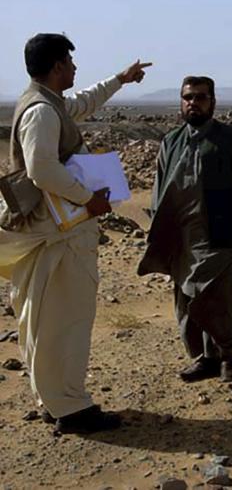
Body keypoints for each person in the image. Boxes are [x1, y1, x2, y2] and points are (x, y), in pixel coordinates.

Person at [8, 33, 151, 434]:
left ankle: (55, 398)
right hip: (59, 233)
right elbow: (42, 169)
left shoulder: (49, 104)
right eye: (69, 62)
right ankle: (70, 408)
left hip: (56, 232)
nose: (74, 68)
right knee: (63, 320)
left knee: (47, 319)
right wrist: (89, 199)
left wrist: (120, 79)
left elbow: (83, 102)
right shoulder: (42, 112)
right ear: (56, 67)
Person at [137, 76, 232, 383]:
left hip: (219, 236)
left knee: (215, 298)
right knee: (185, 299)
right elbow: (159, 190)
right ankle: (206, 358)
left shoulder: (230, 139)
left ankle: (228, 356)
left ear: (213, 103)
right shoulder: (171, 141)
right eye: (188, 97)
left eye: (201, 97)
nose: (194, 103)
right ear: (181, 102)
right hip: (181, 237)